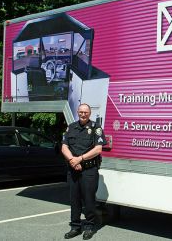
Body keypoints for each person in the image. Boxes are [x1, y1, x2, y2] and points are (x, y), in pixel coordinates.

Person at [61, 103, 106, 240]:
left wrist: (79, 159)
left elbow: (98, 149)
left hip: (89, 170)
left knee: (89, 200)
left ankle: (89, 227)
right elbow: (64, 147)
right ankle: (75, 227)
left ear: (90, 113)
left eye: (85, 112)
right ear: (77, 112)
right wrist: (72, 161)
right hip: (74, 169)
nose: (83, 114)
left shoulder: (95, 128)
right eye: (81, 112)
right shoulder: (71, 127)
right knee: (74, 200)